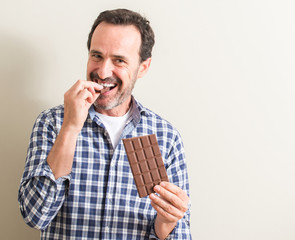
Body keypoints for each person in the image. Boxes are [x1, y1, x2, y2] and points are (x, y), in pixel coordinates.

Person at [18, 9, 191, 240]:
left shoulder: (166, 138)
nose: (102, 71)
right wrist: (70, 127)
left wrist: (167, 222)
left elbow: (180, 235)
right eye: (97, 55)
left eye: (119, 60)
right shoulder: (52, 123)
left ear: (143, 67)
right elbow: (35, 215)